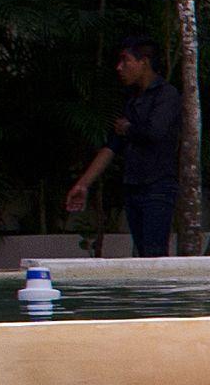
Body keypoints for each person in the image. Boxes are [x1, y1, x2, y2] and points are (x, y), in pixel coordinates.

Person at [66, 38, 179, 258]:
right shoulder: (132, 100)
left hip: (158, 184)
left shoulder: (166, 94)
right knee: (142, 251)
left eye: (125, 61)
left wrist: (129, 128)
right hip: (133, 185)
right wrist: (83, 184)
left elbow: (155, 132)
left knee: (154, 253)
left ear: (143, 62)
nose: (120, 68)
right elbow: (111, 146)